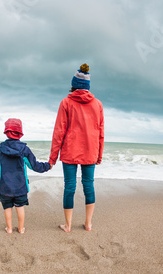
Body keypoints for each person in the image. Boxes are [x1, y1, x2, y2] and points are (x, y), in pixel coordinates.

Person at [49, 63, 104, 233]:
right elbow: (101, 132)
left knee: (69, 187)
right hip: (90, 151)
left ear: (73, 85)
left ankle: (68, 225)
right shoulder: (97, 105)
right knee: (89, 185)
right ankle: (88, 224)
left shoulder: (66, 103)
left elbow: (59, 131)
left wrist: (52, 157)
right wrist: (99, 155)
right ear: (87, 87)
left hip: (70, 151)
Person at [0, 118, 51, 234]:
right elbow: (34, 166)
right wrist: (48, 166)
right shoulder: (24, 149)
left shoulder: (0, 150)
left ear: (6, 132)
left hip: (5, 188)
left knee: (7, 207)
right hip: (20, 187)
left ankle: (9, 228)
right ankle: (21, 228)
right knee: (20, 207)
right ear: (20, 133)